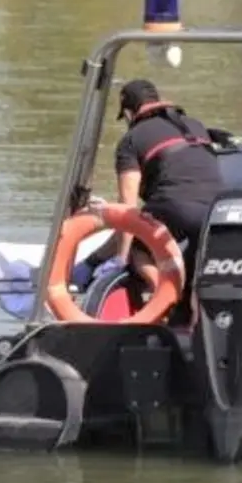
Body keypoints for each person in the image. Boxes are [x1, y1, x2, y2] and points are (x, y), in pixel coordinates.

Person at [73, 80, 224, 320]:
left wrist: (122, 259)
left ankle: (164, 297)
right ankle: (193, 323)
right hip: (218, 207)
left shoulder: (132, 139)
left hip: (174, 204)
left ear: (128, 113)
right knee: (195, 266)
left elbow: (127, 209)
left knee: (139, 250)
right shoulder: (194, 125)